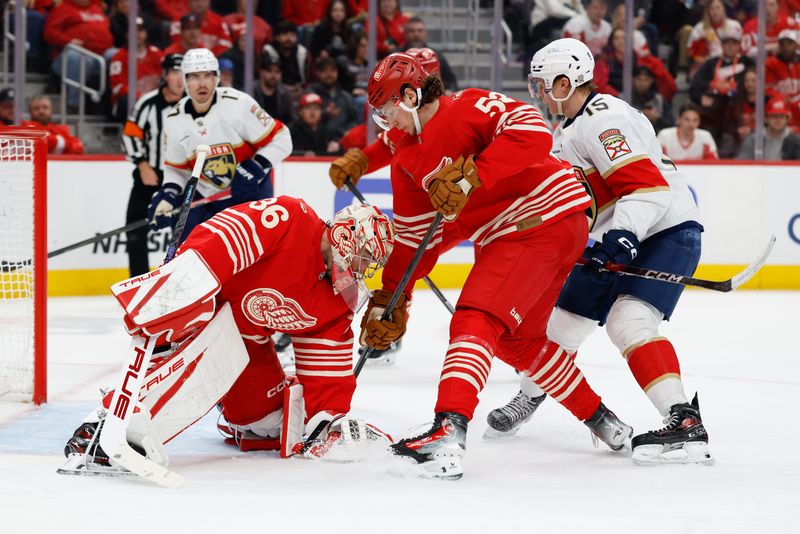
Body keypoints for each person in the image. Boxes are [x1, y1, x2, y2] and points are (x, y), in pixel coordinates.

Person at [358, 52, 631, 479]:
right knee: (517, 344)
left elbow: (534, 132)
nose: (388, 120)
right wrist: (392, 299)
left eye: (389, 108)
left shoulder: (467, 106)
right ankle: (603, 421)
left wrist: (473, 176)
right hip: (519, 233)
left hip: (540, 219)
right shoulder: (407, 160)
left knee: (475, 317)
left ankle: (448, 429)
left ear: (411, 94)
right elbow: (415, 242)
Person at [60, 199, 397, 476]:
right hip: (205, 312)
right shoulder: (289, 220)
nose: (361, 269)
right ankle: (108, 426)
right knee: (217, 352)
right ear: (343, 236)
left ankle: (231, 417)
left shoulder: (336, 301)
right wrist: (173, 292)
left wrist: (329, 419)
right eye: (363, 256)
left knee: (267, 421)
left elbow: (327, 373)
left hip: (249, 343)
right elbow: (218, 242)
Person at [506, 38, 713, 466]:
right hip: (621, 234)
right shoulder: (566, 131)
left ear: (567, 82)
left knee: (629, 320)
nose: (539, 94)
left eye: (543, 85)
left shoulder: (605, 119)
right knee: (562, 323)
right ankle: (529, 396)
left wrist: (620, 237)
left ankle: (684, 421)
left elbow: (645, 187)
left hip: (664, 229)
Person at [148, 48, 292, 244]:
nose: (202, 83)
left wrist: (255, 168)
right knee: (188, 258)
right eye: (195, 77)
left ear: (217, 78)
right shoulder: (174, 119)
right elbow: (176, 169)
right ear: (185, 80)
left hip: (248, 193)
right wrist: (169, 196)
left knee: (251, 261)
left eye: (208, 75)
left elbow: (282, 138)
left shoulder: (238, 104)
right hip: (205, 198)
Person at [121, 54, 186, 277]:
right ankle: (138, 280)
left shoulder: (193, 104)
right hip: (151, 175)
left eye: (185, 74)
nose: (180, 80)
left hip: (181, 176)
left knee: (182, 231)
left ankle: (179, 279)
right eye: (176, 73)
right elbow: (130, 135)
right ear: (165, 75)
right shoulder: (148, 103)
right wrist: (142, 164)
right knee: (135, 228)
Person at [43, 0, 113, 110]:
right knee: (80, 58)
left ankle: (114, 103)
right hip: (68, 56)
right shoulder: (62, 9)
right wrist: (69, 41)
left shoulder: (97, 9)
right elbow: (49, 33)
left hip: (100, 55)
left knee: (117, 56)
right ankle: (74, 103)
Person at [689, 23, 752, 141]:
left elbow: (753, 85)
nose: (730, 46)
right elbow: (695, 85)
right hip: (713, 112)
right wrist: (701, 97)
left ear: (739, 45)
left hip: (737, 110)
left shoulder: (746, 62)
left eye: (734, 43)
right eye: (727, 43)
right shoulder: (711, 63)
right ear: (721, 45)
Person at [108, 18, 165, 122]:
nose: (137, 34)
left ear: (146, 33)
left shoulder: (156, 54)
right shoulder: (119, 57)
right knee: (127, 101)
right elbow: (117, 87)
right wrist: (140, 95)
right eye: (133, 31)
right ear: (127, 34)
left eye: (140, 30)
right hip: (131, 102)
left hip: (154, 98)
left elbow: (167, 77)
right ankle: (133, 136)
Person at [401, 17, 458, 92]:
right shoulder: (397, 54)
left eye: (420, 30)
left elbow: (451, 80)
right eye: (412, 31)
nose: (416, 34)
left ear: (425, 33)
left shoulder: (436, 55)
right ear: (406, 34)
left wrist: (449, 90)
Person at [308, 56, 360, 137]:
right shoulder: (310, 94)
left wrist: (347, 132)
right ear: (317, 73)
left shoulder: (345, 96)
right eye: (324, 71)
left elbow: (355, 119)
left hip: (343, 141)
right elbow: (305, 120)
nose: (329, 75)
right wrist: (325, 114)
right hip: (316, 141)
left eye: (332, 71)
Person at [686, 0, 743, 72]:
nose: (715, 12)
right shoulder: (699, 28)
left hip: (731, 64)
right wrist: (701, 60)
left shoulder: (734, 26)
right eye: (712, 9)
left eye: (718, 8)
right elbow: (691, 51)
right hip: (707, 66)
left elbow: (741, 48)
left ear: (723, 9)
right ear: (707, 11)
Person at [20, 95, 85, 154]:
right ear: (30, 111)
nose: (41, 111)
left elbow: (79, 148)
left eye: (45, 107)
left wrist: (57, 145)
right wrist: (64, 145)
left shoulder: (59, 128)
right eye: (36, 108)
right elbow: (49, 142)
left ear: (51, 110)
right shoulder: (26, 126)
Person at [263, 20, 312, 95]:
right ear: (277, 37)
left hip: (299, 91)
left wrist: (301, 88)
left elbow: (309, 78)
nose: (289, 38)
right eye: (285, 34)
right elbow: (265, 77)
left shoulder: (303, 53)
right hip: (274, 90)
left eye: (292, 35)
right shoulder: (268, 51)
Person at [167, 0, 232, 57]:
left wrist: (210, 55)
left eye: (202, 0)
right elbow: (177, 42)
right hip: (183, 57)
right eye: (196, 0)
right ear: (189, 2)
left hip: (213, 59)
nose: (199, 3)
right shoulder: (179, 21)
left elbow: (227, 44)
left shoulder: (218, 21)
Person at [253, 56, 298, 126]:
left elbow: (292, 120)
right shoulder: (251, 91)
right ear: (261, 72)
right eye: (269, 71)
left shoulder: (285, 94)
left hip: (279, 133)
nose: (273, 75)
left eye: (277, 72)